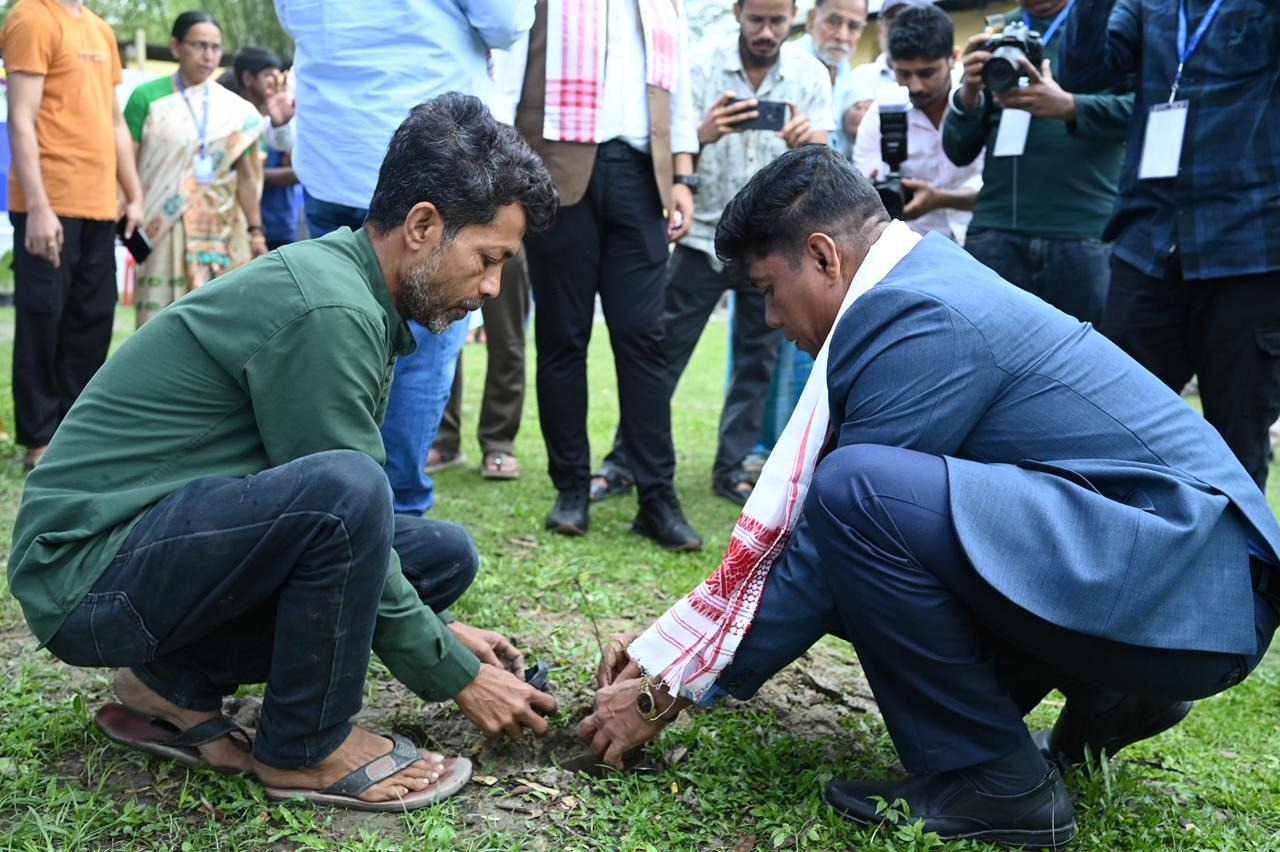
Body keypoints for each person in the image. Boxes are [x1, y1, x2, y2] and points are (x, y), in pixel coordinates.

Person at [577, 146, 1280, 847]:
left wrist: (672, 686)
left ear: (824, 257)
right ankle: (1113, 693)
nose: (767, 318)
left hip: (1190, 588)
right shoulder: (918, 282)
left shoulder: (918, 313)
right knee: (872, 518)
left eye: (767, 288)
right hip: (1182, 581)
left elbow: (825, 545)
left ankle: (997, 786)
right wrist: (670, 648)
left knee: (856, 497)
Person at [8, 94, 561, 812]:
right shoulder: (329, 311)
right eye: (489, 261)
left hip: (149, 551)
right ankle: (306, 749)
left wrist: (442, 634)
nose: (490, 289)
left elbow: (324, 527)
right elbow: (340, 502)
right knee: (354, 492)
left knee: (439, 554)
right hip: (84, 576)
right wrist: (456, 672)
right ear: (423, 226)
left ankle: (167, 684)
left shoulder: (352, 291)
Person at [275, 0, 533, 516]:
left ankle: (318, 513)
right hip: (433, 162)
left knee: (324, 333)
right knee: (425, 346)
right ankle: (396, 521)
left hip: (332, 155)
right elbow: (506, 22)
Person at [595, 0, 833, 507]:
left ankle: (732, 468)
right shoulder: (700, 63)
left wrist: (805, 141)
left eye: (777, 20)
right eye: (756, 19)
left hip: (772, 244)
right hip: (704, 236)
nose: (767, 31)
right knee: (660, 358)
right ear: (737, 12)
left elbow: (825, 158)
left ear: (793, 15)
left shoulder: (810, 73)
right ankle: (623, 461)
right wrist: (705, 132)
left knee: (756, 362)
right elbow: (676, 145)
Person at [1058, 1, 1280, 490]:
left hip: (1249, 249)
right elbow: (1081, 72)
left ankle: (1242, 567)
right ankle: (1124, 561)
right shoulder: (1146, 6)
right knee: (1110, 433)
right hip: (1150, 245)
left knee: (1236, 447)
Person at [507, 0, 703, 550]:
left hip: (642, 177)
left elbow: (678, 88)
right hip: (556, 170)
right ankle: (571, 489)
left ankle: (656, 497)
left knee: (644, 338)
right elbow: (509, 71)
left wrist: (684, 176)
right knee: (562, 336)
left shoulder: (666, 6)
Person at [2, 0, 144, 472]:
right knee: (44, 319)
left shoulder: (100, 29)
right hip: (49, 203)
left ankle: (76, 433)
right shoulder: (30, 16)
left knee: (94, 318)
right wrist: (38, 207)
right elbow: (21, 118)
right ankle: (39, 440)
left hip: (101, 205)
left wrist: (134, 194)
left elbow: (115, 122)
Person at [943, 0, 1133, 325]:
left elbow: (1141, 110)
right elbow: (958, 150)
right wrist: (969, 93)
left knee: (1085, 367)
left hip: (1083, 232)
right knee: (992, 365)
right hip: (996, 231)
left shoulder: (1109, 22)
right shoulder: (998, 32)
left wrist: (1071, 107)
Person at [124, 11, 266, 327]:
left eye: (215, 47)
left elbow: (246, 175)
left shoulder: (236, 111)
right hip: (162, 225)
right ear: (176, 47)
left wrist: (256, 231)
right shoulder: (146, 98)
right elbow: (126, 163)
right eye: (199, 45)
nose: (208, 55)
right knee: (158, 326)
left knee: (219, 324)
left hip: (221, 229)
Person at [854, 4, 983, 243]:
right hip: (913, 248)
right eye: (904, 74)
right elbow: (867, 198)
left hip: (984, 239)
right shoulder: (878, 116)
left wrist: (942, 199)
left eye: (927, 73)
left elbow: (1003, 191)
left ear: (953, 58)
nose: (915, 86)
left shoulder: (981, 101)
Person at [224, 46, 301, 251]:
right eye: (269, 75)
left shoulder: (281, 118)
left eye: (278, 76)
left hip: (281, 224)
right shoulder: (231, 121)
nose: (276, 82)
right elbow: (230, 174)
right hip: (241, 225)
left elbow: (298, 169)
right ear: (249, 78)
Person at [801, 0, 871, 157]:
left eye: (853, 26)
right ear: (812, 19)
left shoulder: (850, 76)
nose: (842, 36)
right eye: (833, 22)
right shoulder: (788, 66)